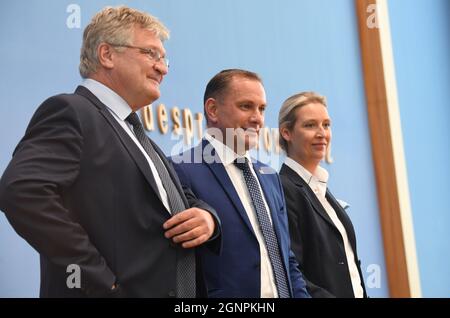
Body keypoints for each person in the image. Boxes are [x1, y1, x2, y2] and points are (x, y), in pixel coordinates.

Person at [0, 6, 221, 298]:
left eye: (164, 58)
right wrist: (101, 282)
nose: (163, 68)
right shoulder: (72, 112)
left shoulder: (141, 138)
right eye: (151, 54)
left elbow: (180, 200)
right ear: (107, 55)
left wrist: (208, 218)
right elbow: (21, 191)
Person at [171, 69, 309, 298]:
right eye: (246, 106)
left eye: (262, 109)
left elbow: (285, 256)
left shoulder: (270, 177)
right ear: (213, 109)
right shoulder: (179, 170)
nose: (257, 118)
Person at [278, 92, 367, 298]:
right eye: (310, 125)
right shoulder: (283, 188)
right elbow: (292, 271)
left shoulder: (323, 191)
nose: (322, 133)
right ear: (286, 133)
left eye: (326, 125)